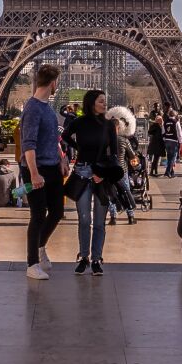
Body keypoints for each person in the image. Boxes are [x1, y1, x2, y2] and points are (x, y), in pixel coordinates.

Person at [62, 88, 119, 276]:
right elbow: (64, 136)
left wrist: (104, 173)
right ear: (92, 103)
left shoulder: (110, 125)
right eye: (101, 101)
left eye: (105, 100)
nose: (104, 104)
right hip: (82, 171)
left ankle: (96, 258)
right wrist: (78, 148)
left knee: (100, 222)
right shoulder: (79, 122)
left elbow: (115, 154)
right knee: (84, 219)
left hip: (100, 173)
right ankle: (84, 257)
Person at [20, 64, 67, 281]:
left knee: (57, 212)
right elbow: (28, 145)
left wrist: (61, 156)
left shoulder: (47, 108)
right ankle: (32, 263)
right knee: (38, 215)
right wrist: (34, 173)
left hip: (52, 165)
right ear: (53, 83)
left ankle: (39, 248)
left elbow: (52, 138)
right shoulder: (33, 108)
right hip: (37, 168)